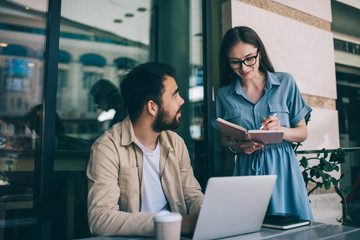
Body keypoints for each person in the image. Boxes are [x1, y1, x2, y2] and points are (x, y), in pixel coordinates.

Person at [87, 62, 204, 237]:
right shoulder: (107, 148)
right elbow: (101, 219)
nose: (182, 101)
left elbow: (192, 197)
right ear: (152, 107)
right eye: (174, 96)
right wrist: (175, 223)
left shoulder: (176, 143)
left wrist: (210, 214)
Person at [214, 26, 314, 221]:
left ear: (260, 53)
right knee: (247, 227)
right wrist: (238, 146)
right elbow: (224, 139)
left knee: (292, 229)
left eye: (249, 58)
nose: (243, 67)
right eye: (235, 62)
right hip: (246, 170)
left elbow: (303, 133)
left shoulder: (285, 83)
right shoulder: (224, 95)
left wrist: (280, 130)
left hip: (283, 169)